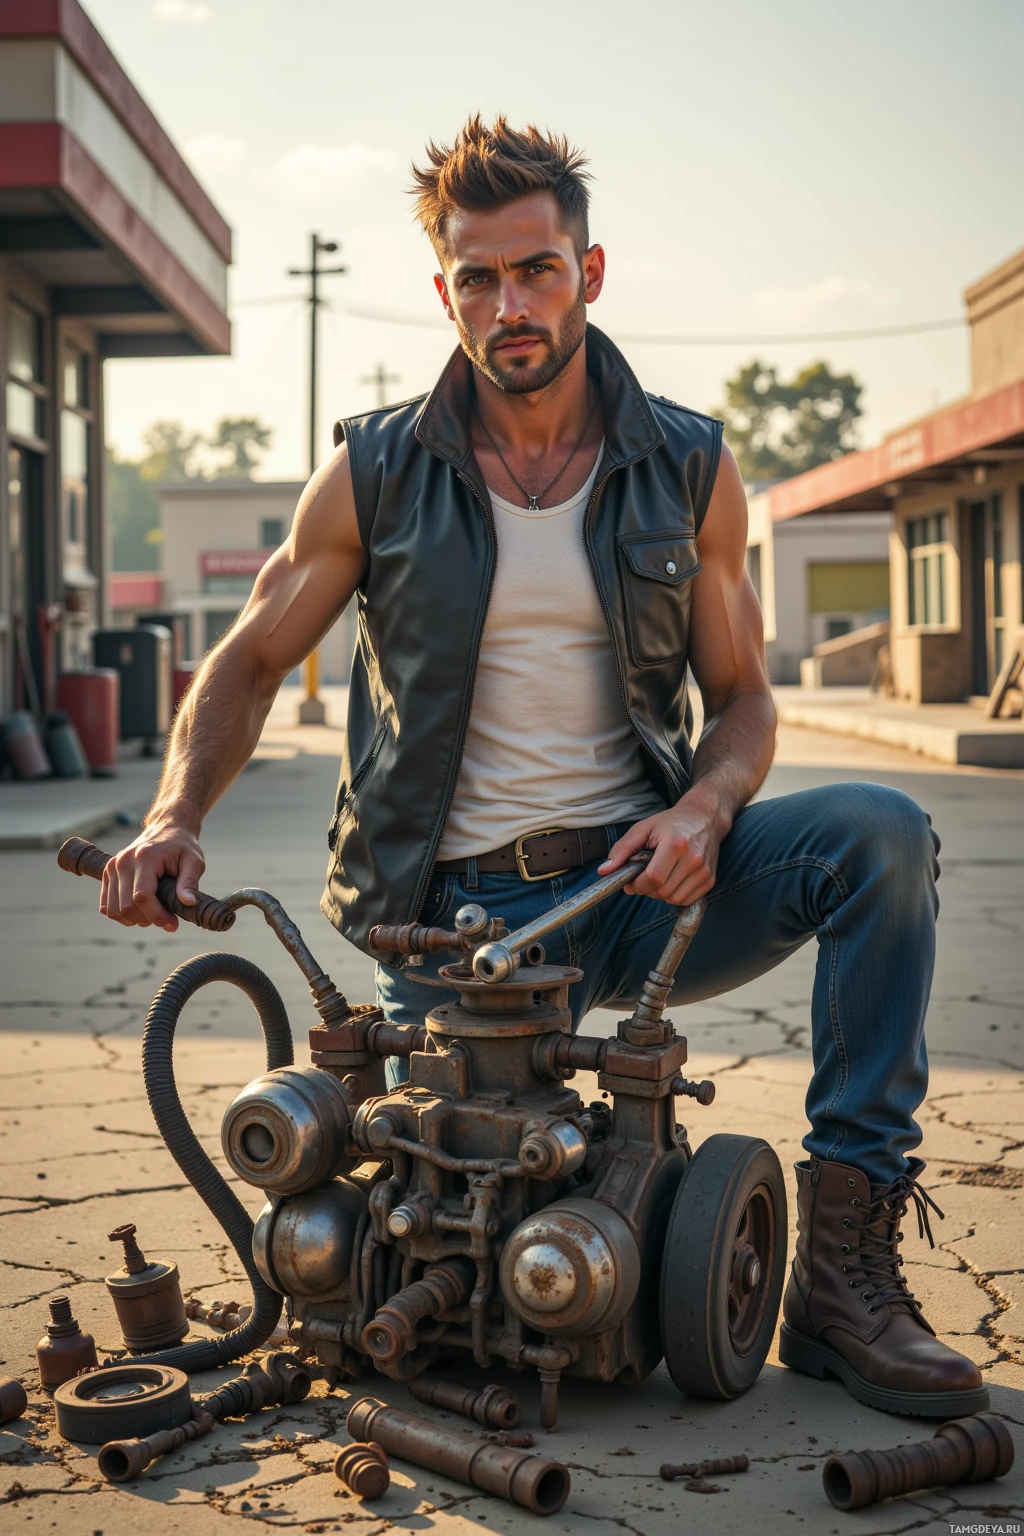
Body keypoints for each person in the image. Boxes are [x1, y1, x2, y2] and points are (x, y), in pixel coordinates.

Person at [99, 116, 986, 1419]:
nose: (510, 306)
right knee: (438, 1238)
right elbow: (248, 658)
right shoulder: (375, 470)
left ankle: (844, 1276)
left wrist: (706, 807)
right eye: (480, 278)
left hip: (641, 886)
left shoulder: (689, 465)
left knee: (882, 837)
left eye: (537, 271)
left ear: (590, 273)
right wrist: (173, 815)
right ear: (445, 290)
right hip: (450, 922)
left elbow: (745, 699)